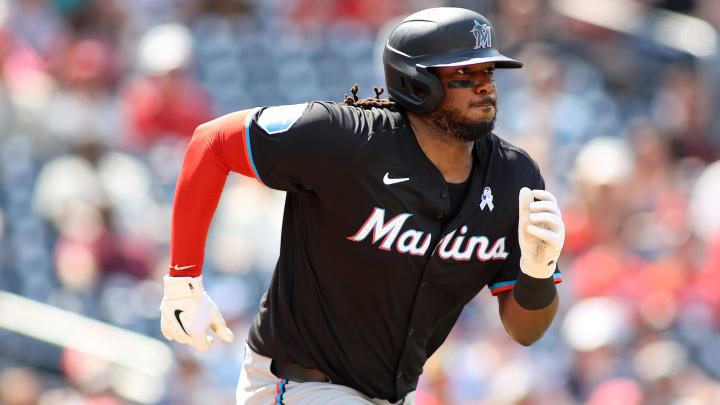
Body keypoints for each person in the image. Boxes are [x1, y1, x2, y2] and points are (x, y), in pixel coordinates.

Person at [159, 7, 565, 405]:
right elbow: (212, 142)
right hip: (298, 385)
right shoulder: (345, 139)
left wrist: (537, 272)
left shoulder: (514, 177)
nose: (484, 86)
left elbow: (525, 330)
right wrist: (183, 279)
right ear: (417, 82)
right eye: (464, 73)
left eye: (488, 72)